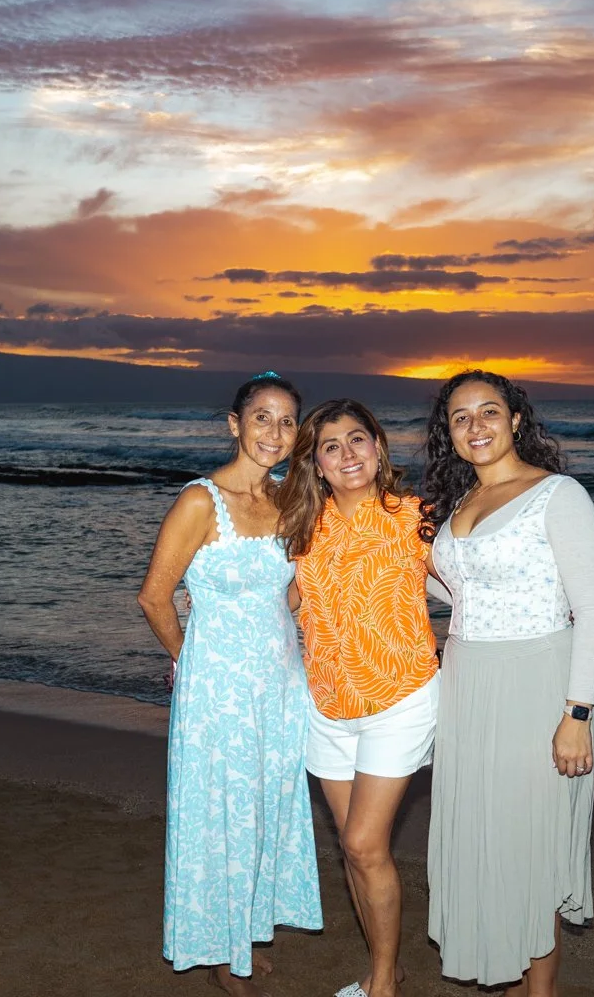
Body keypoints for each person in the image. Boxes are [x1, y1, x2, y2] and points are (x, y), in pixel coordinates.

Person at [419, 369, 594, 996]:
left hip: (540, 683)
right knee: (486, 837)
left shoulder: (558, 495)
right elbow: (453, 587)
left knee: (533, 844)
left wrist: (576, 715)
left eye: (489, 411)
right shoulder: (459, 506)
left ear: (516, 420)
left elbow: (593, 610)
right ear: (449, 433)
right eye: (460, 417)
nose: (477, 426)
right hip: (468, 682)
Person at [137, 372, 322, 997]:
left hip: (279, 683)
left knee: (265, 809)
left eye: (288, 420)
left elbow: (290, 596)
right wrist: (189, 661)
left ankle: (241, 934)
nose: (275, 432)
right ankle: (219, 955)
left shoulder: (289, 499)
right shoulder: (199, 501)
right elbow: (155, 597)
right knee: (220, 814)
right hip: (218, 689)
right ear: (234, 424)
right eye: (263, 417)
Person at [274, 398, 439, 997]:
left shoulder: (416, 517)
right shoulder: (300, 529)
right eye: (330, 446)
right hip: (327, 706)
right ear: (315, 463)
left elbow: (473, 588)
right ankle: (385, 965)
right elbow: (282, 604)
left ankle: (384, 990)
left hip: (402, 697)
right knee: (353, 850)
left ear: (379, 446)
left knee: (366, 843)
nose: (347, 454)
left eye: (357, 439)